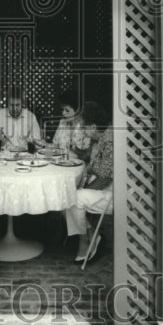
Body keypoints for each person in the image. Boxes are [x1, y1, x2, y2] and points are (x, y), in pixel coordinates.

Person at [64, 101, 114, 263]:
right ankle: (93, 235)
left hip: (114, 192)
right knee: (64, 195)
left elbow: (105, 178)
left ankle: (84, 240)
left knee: (74, 198)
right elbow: (93, 164)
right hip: (103, 185)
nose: (83, 131)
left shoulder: (110, 141)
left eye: (84, 127)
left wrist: (84, 188)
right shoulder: (100, 138)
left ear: (92, 126)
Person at [51, 89, 92, 163]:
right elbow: (55, 147)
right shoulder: (62, 122)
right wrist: (44, 147)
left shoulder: (86, 127)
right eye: (62, 110)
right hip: (60, 164)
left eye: (67, 110)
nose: (63, 113)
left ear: (78, 111)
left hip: (78, 167)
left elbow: (87, 156)